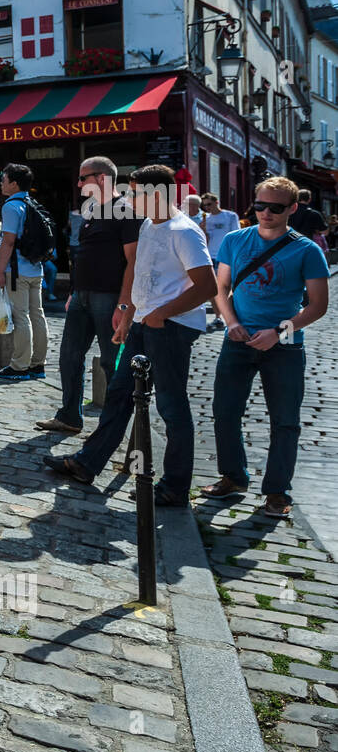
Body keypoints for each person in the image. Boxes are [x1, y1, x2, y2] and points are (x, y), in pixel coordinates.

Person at [45, 163, 217, 506]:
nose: (129, 197)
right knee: (119, 393)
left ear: (157, 194)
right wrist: (128, 315)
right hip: (143, 323)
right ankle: (88, 462)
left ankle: (175, 486)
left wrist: (162, 314)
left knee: (171, 405)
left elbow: (208, 286)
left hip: (172, 328)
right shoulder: (148, 226)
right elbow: (140, 276)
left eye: (135, 192)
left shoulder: (183, 231)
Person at [200, 176, 329, 519]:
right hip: (238, 341)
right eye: (260, 206)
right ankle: (233, 476)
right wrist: (231, 323)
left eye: (275, 208)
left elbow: (317, 306)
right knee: (225, 411)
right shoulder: (235, 240)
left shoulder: (307, 250)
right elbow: (221, 287)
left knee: (285, 421)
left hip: (284, 345)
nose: (266, 213)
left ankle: (276, 492)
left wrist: (279, 331)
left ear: (292, 209)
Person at [36, 156, 140, 435]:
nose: (78, 183)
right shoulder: (92, 210)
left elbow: (134, 260)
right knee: (69, 356)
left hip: (109, 298)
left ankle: (118, 428)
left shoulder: (126, 210)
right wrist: (73, 291)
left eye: (84, 178)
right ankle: (69, 416)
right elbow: (84, 255)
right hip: (82, 296)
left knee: (111, 362)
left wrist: (124, 303)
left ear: (103, 179)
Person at [0, 163, 47, 380]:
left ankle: (19, 366)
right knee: (38, 315)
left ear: (14, 184)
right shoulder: (31, 203)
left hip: (17, 271)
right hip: (35, 267)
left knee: (21, 317)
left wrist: (0, 271)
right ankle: (37, 365)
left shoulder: (10, 206)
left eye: (3, 180)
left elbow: (9, 242)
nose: (2, 184)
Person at [200, 192, 239, 330]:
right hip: (210, 256)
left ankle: (230, 317)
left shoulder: (230, 216)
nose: (207, 208)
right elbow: (205, 240)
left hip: (226, 256)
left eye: (209, 204)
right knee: (212, 290)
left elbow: (236, 235)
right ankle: (218, 318)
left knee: (226, 288)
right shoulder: (206, 219)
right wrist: (202, 229)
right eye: (204, 206)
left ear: (217, 202)